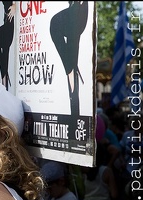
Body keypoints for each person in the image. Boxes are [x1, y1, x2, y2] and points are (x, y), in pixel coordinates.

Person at [50, 1, 89, 134]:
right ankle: (71, 68)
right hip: (72, 13)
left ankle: (71, 69)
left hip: (77, 12)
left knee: (58, 25)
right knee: (71, 62)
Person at [0, 1, 16, 90]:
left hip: (11, 23)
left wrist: (15, 5)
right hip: (6, 21)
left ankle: (4, 79)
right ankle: (4, 76)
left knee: (5, 48)